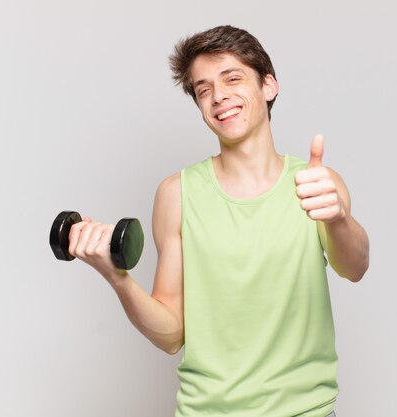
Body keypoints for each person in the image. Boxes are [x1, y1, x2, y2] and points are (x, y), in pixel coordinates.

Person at [67, 25, 369, 417]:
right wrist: (116, 277)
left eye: (233, 78)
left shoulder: (316, 185)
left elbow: (355, 267)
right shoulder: (177, 194)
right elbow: (171, 334)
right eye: (204, 89)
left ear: (269, 86)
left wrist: (339, 219)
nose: (219, 96)